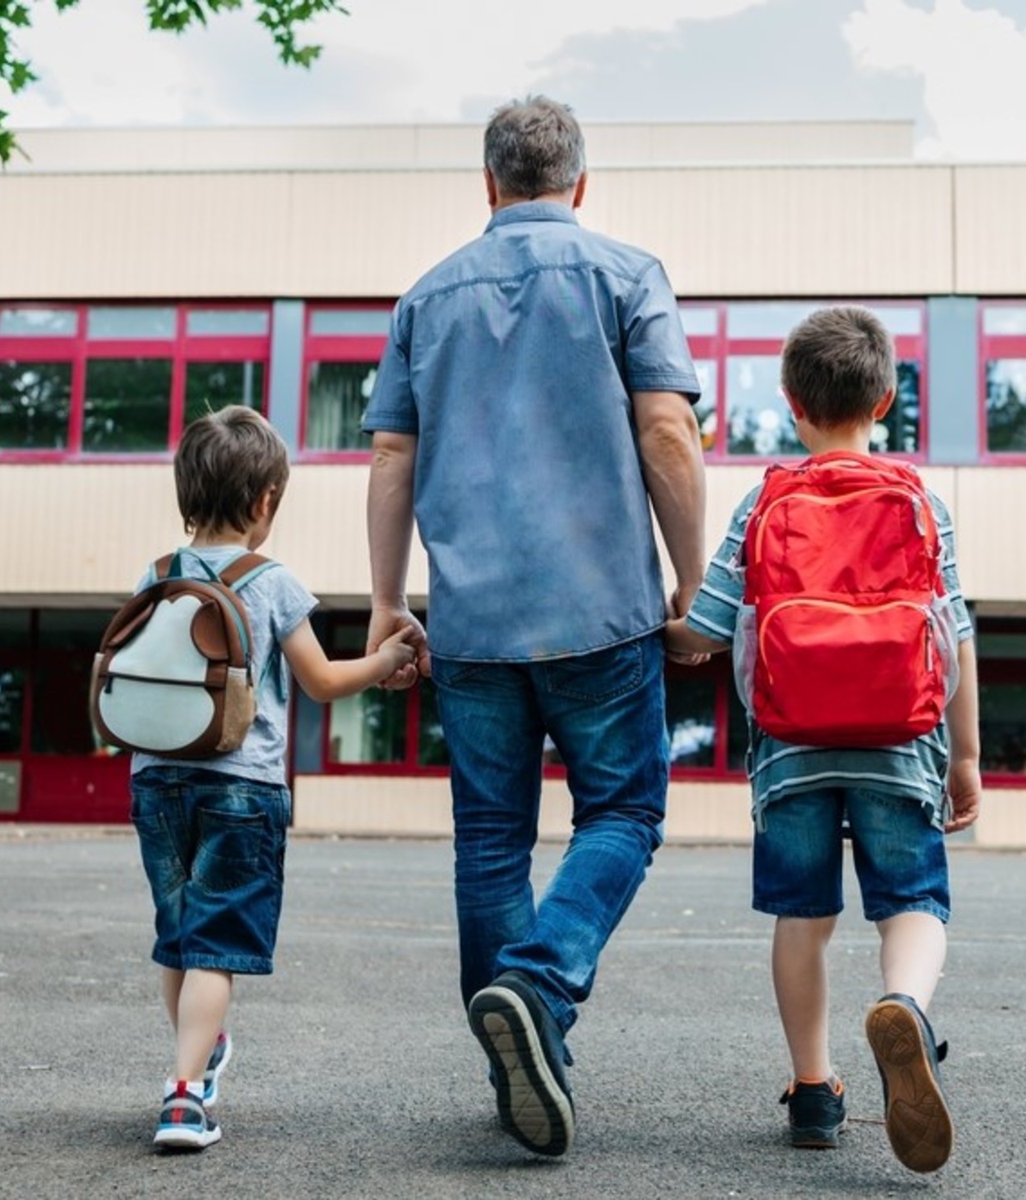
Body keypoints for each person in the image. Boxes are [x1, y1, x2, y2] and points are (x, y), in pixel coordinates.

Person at [360, 95, 707, 1159]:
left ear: (489, 185)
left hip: (470, 624)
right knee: (622, 815)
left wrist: (387, 602)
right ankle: (538, 987)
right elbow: (666, 431)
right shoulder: (627, 275)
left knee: (490, 843)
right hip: (600, 613)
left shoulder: (425, 297)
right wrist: (694, 586)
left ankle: (517, 1050)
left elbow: (388, 458)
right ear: (580, 184)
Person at [664, 307, 981, 1175]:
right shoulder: (920, 499)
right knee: (913, 900)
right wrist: (965, 759)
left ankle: (813, 1091)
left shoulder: (766, 499)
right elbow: (952, 634)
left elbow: (706, 631)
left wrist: (663, 621)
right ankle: (906, 1008)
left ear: (791, 401)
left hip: (791, 750)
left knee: (803, 919)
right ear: (884, 398)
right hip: (902, 741)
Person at [129, 407, 418, 1151]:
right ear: (265, 503)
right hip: (242, 788)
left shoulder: (157, 575)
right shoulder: (272, 581)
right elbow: (320, 681)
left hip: (156, 779)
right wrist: (386, 664)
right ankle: (186, 1095)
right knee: (217, 942)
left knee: (180, 936)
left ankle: (196, 1051)